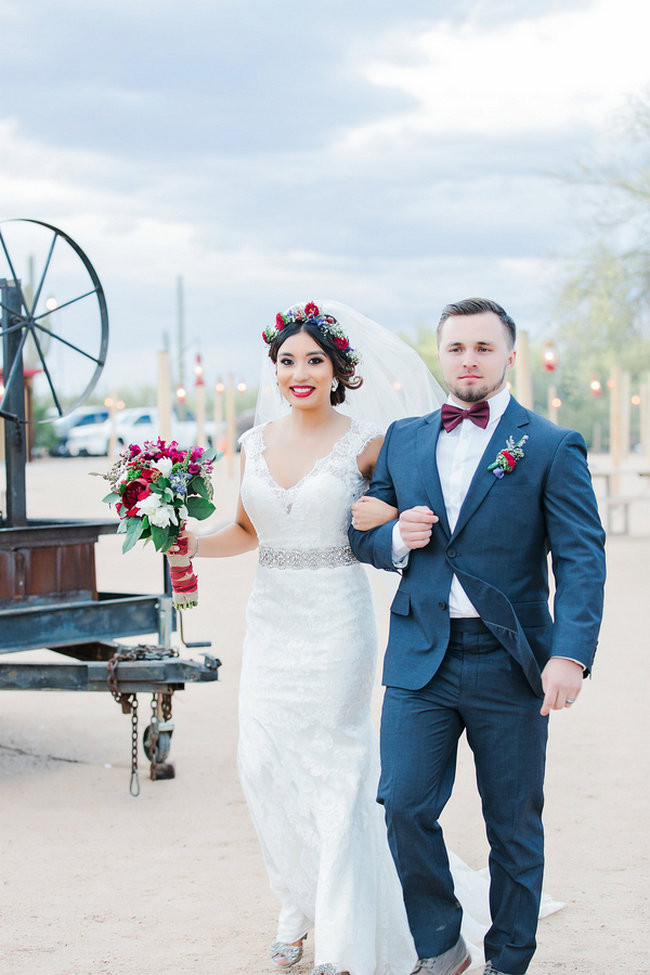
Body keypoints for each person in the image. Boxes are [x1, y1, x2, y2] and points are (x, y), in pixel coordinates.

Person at [170, 300, 447, 975]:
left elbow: (418, 509)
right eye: (287, 360)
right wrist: (193, 543)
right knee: (263, 763)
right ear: (275, 368)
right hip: (271, 621)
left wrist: (387, 509)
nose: (299, 372)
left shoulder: (369, 441)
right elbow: (246, 529)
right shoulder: (254, 441)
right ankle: (294, 903)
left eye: (313, 360)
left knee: (335, 771)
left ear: (337, 370)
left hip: (337, 622)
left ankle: (339, 935)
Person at [349, 297, 607, 975]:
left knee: (513, 825)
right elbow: (360, 530)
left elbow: (581, 558)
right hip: (419, 659)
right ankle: (441, 944)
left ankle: (508, 959)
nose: (470, 359)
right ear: (442, 354)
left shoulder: (550, 445)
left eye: (484, 348)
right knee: (402, 802)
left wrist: (570, 655)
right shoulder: (403, 437)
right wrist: (391, 540)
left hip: (511, 662)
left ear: (508, 356)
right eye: (458, 347)